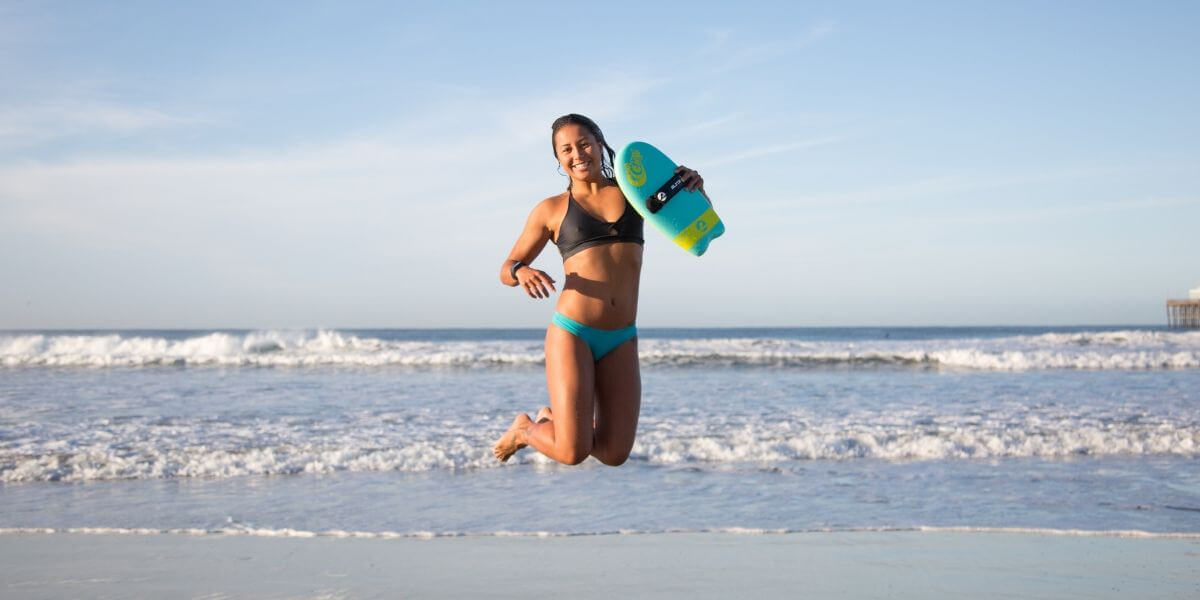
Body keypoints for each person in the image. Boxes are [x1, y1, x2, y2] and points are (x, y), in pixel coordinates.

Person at [492, 114, 705, 466]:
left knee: (614, 452)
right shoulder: (552, 209)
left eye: (584, 143)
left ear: (600, 143)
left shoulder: (635, 194)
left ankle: (552, 422)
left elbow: (696, 223)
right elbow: (507, 267)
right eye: (566, 149)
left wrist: (695, 186)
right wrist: (523, 270)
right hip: (572, 332)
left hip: (621, 336)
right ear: (558, 158)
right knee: (572, 452)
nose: (578, 154)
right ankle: (526, 430)